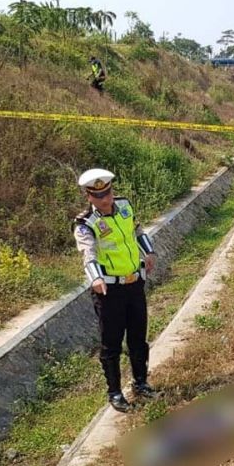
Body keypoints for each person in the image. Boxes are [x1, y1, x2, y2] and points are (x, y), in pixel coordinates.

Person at [74, 169, 157, 412]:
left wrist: (149, 252)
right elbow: (88, 254)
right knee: (111, 344)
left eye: (108, 192)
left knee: (138, 339)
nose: (106, 199)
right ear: (89, 196)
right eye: (99, 196)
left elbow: (137, 231)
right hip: (109, 291)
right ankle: (115, 392)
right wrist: (96, 279)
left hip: (134, 284)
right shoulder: (85, 224)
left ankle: (141, 383)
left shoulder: (124, 206)